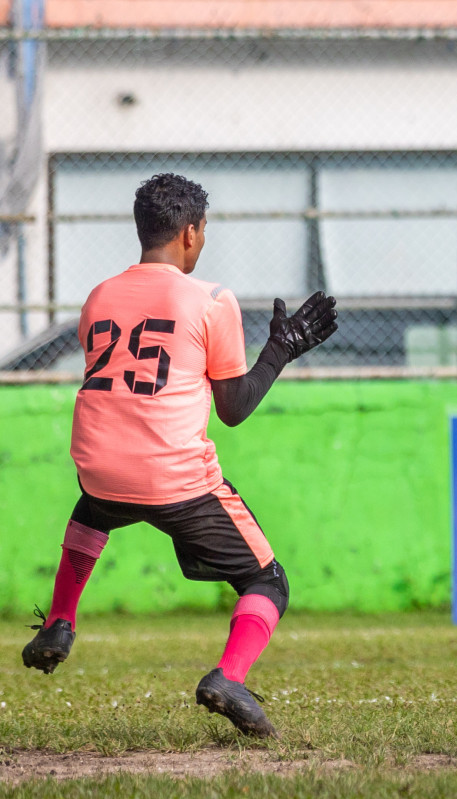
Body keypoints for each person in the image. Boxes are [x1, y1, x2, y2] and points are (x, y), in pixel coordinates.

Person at [21, 173, 337, 738]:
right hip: (175, 480)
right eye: (205, 229)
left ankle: (62, 620)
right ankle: (229, 678)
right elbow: (234, 407)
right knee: (268, 582)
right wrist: (281, 349)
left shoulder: (98, 296)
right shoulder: (212, 299)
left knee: (95, 506)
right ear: (190, 233)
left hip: (97, 467)